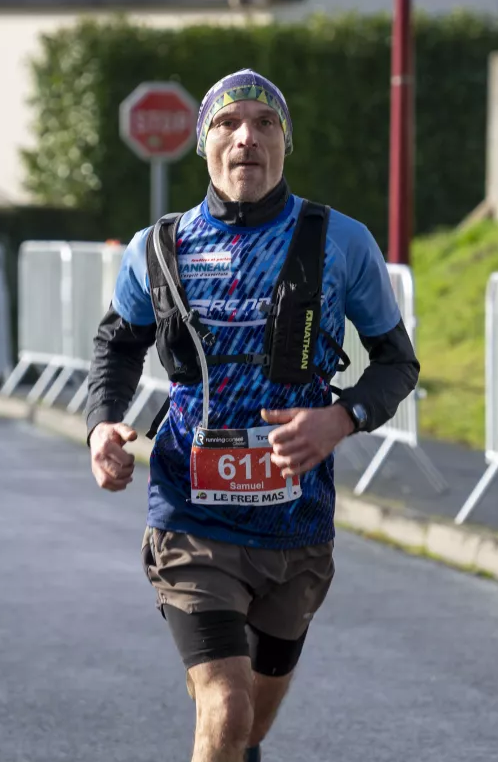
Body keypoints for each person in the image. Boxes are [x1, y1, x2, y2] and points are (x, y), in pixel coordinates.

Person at [81, 69, 419, 762]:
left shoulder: (340, 240)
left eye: (266, 124)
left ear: (285, 143)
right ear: (203, 143)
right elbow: (117, 343)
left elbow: (396, 363)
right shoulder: (160, 247)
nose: (247, 137)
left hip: (295, 524)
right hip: (190, 514)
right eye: (228, 123)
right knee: (227, 704)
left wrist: (340, 418)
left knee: (246, 726)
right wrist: (102, 424)